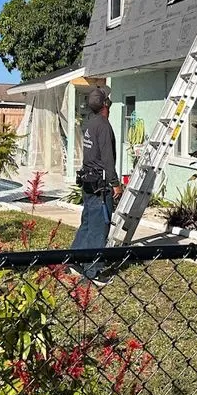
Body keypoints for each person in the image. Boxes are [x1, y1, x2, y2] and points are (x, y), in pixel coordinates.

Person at [69, 86, 122, 286]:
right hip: (101, 185)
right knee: (100, 226)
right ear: (106, 104)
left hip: (88, 182)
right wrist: (115, 184)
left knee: (89, 222)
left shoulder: (90, 124)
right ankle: (93, 271)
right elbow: (108, 159)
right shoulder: (104, 126)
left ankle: (74, 260)